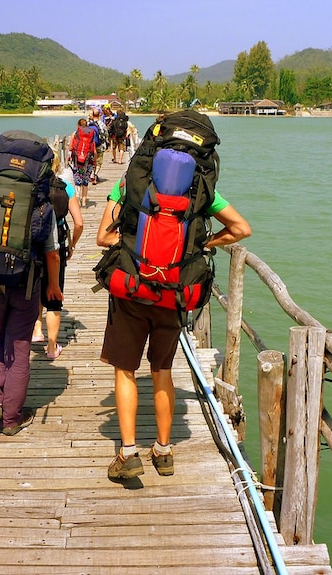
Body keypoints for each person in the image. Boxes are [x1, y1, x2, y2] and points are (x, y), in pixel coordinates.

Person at [96, 172, 251, 479]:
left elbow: (103, 237)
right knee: (162, 370)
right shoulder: (199, 190)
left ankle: (128, 453)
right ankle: (164, 451)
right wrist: (203, 244)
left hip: (132, 289)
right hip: (174, 294)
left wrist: (133, 244)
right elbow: (241, 229)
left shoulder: (128, 183)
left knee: (126, 369)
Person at [0, 147, 64, 436]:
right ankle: (11, 419)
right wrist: (53, 286)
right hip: (26, 284)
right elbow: (52, 253)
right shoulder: (41, 203)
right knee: (19, 349)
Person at [32, 155, 84, 359]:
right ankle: (52, 348)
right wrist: (72, 244)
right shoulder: (66, 189)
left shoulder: (32, 188)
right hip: (58, 246)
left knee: (35, 287)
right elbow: (79, 223)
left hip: (33, 247)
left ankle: (37, 330)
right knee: (54, 295)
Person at [69, 117, 96, 207]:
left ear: (78, 125)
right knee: (85, 182)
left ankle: (77, 200)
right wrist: (94, 162)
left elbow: (70, 148)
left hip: (77, 162)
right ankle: (84, 202)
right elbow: (94, 150)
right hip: (88, 162)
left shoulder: (75, 134)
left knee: (77, 182)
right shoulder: (91, 135)